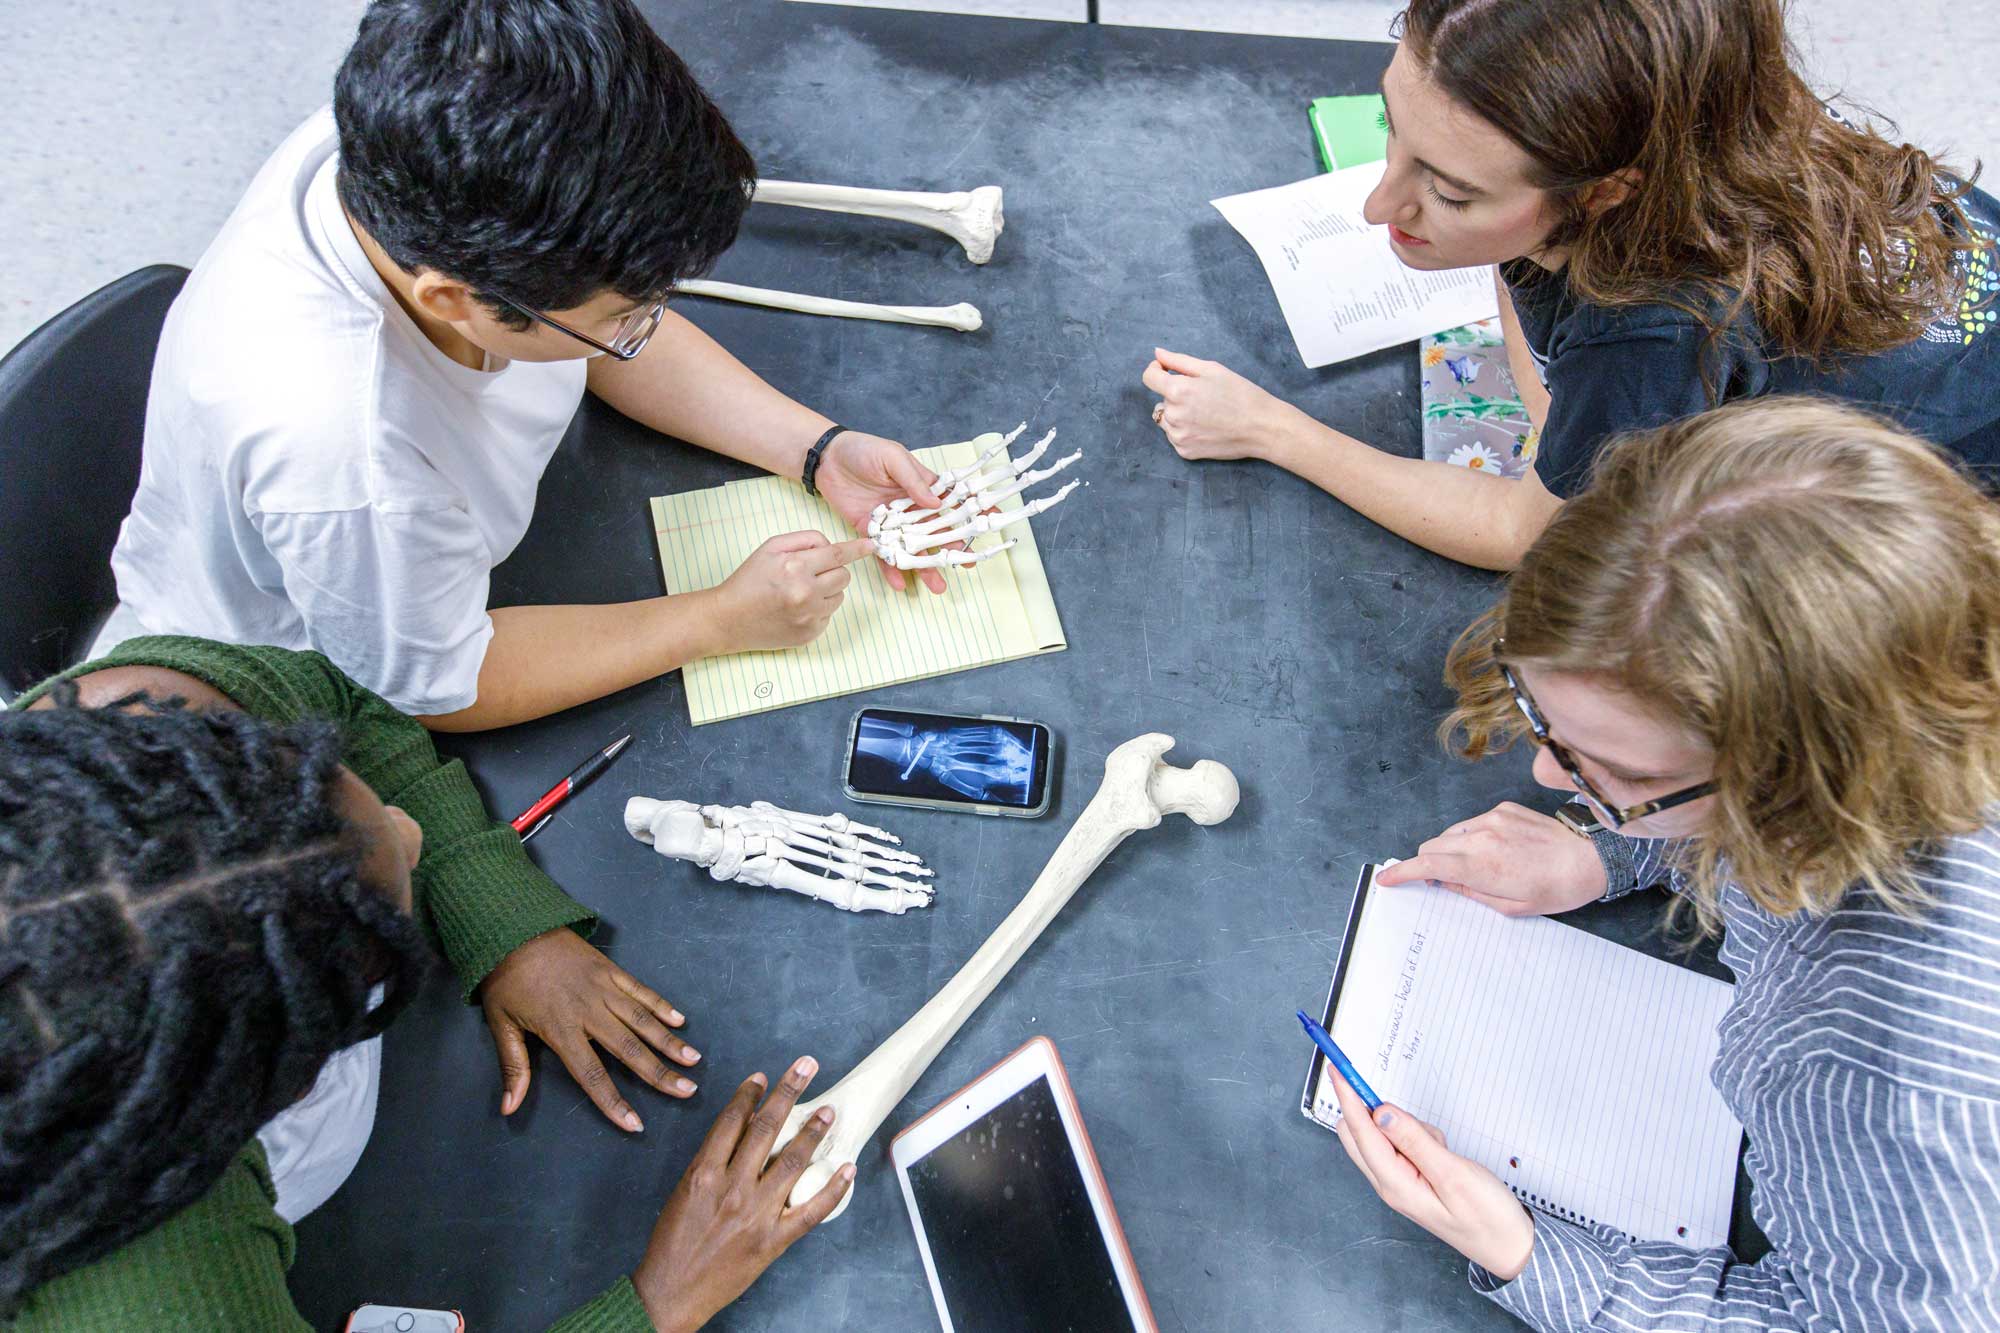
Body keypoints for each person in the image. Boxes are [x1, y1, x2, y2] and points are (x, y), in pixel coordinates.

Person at [1321, 398, 2000, 1329]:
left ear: (1794, 790)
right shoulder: (1925, 632)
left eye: (1624, 772)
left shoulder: (1896, 1084)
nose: (1544, 771)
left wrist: (1527, 1251)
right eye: (1542, 711)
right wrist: (1615, 842)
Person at [100, 0, 953, 732]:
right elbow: (441, 684)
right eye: (626, 315)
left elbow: (606, 332)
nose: (647, 327)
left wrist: (815, 448)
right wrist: (718, 618)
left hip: (455, 533)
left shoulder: (429, 127)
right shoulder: (348, 456)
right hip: (321, 659)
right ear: (451, 300)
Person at [0, 638, 853, 1330]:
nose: (408, 831)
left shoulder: (135, 722)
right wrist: (663, 1303)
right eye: (380, 947)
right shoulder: (145, 1276)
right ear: (287, 1085)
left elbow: (340, 701)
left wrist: (491, 903)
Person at [1143, 0, 2000, 570]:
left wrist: (1272, 429)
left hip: (1953, 523)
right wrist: (1496, 240)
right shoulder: (1703, 94)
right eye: (1390, 129)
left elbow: (1527, 534)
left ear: (1604, 191)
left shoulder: (1649, 333)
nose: (1378, 204)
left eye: (1450, 190)